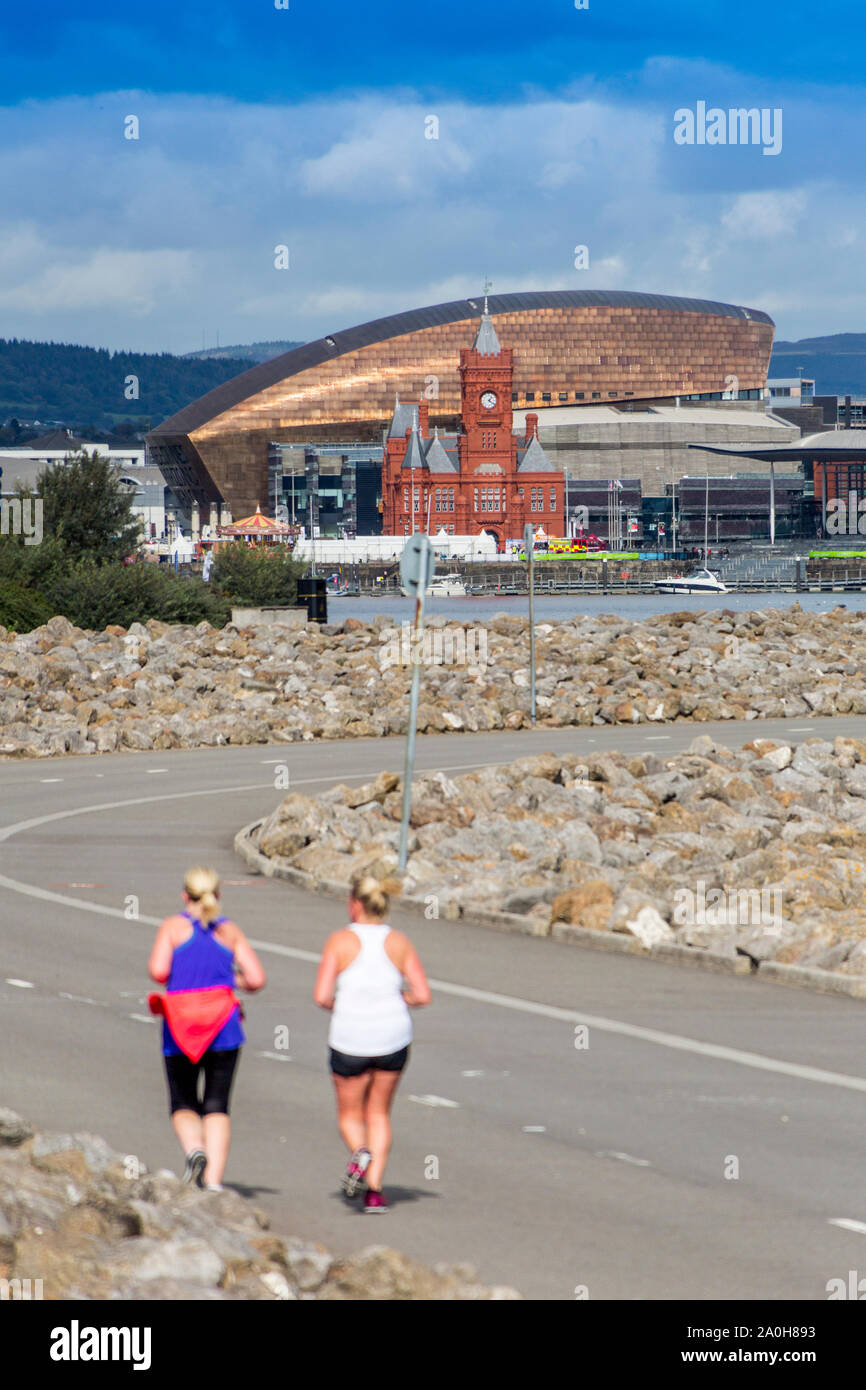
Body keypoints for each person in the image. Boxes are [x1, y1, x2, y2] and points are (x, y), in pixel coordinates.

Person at [313, 874, 431, 1213]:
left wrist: (345, 1005)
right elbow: (422, 995)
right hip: (393, 1035)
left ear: (354, 904)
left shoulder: (339, 941)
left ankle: (359, 1153)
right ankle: (375, 1192)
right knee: (379, 1113)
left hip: (351, 1037)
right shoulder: (399, 941)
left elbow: (322, 996)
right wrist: (396, 998)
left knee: (350, 1115)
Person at [148, 867, 266, 1191]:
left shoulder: (173, 928)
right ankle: (213, 1182)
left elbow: (158, 971)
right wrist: (229, 980)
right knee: (217, 1105)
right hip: (223, 1024)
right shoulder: (230, 932)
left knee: (183, 1100)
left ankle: (195, 1151)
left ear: (185, 895)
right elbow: (256, 979)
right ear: (219, 895)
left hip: (181, 1024)